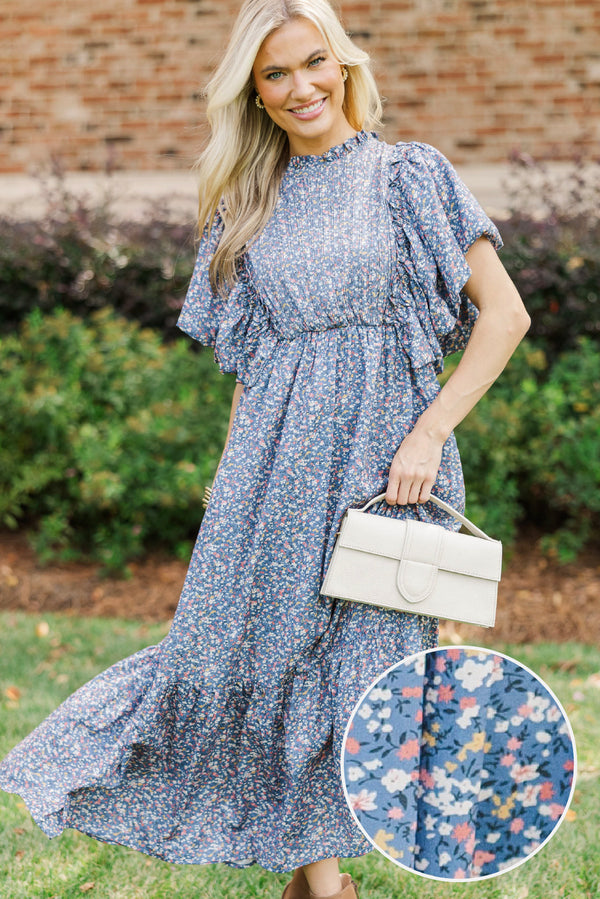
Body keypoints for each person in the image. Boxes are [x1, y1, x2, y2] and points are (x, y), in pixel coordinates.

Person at [0, 1, 530, 897]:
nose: (300, 88)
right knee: (241, 660)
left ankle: (318, 881)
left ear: (344, 63)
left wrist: (430, 434)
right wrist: (226, 484)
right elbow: (253, 365)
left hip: (386, 463)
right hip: (270, 473)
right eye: (274, 75)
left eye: (312, 63)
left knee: (362, 670)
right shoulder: (250, 203)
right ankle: (321, 881)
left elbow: (505, 316)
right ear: (254, 92)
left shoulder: (409, 176)